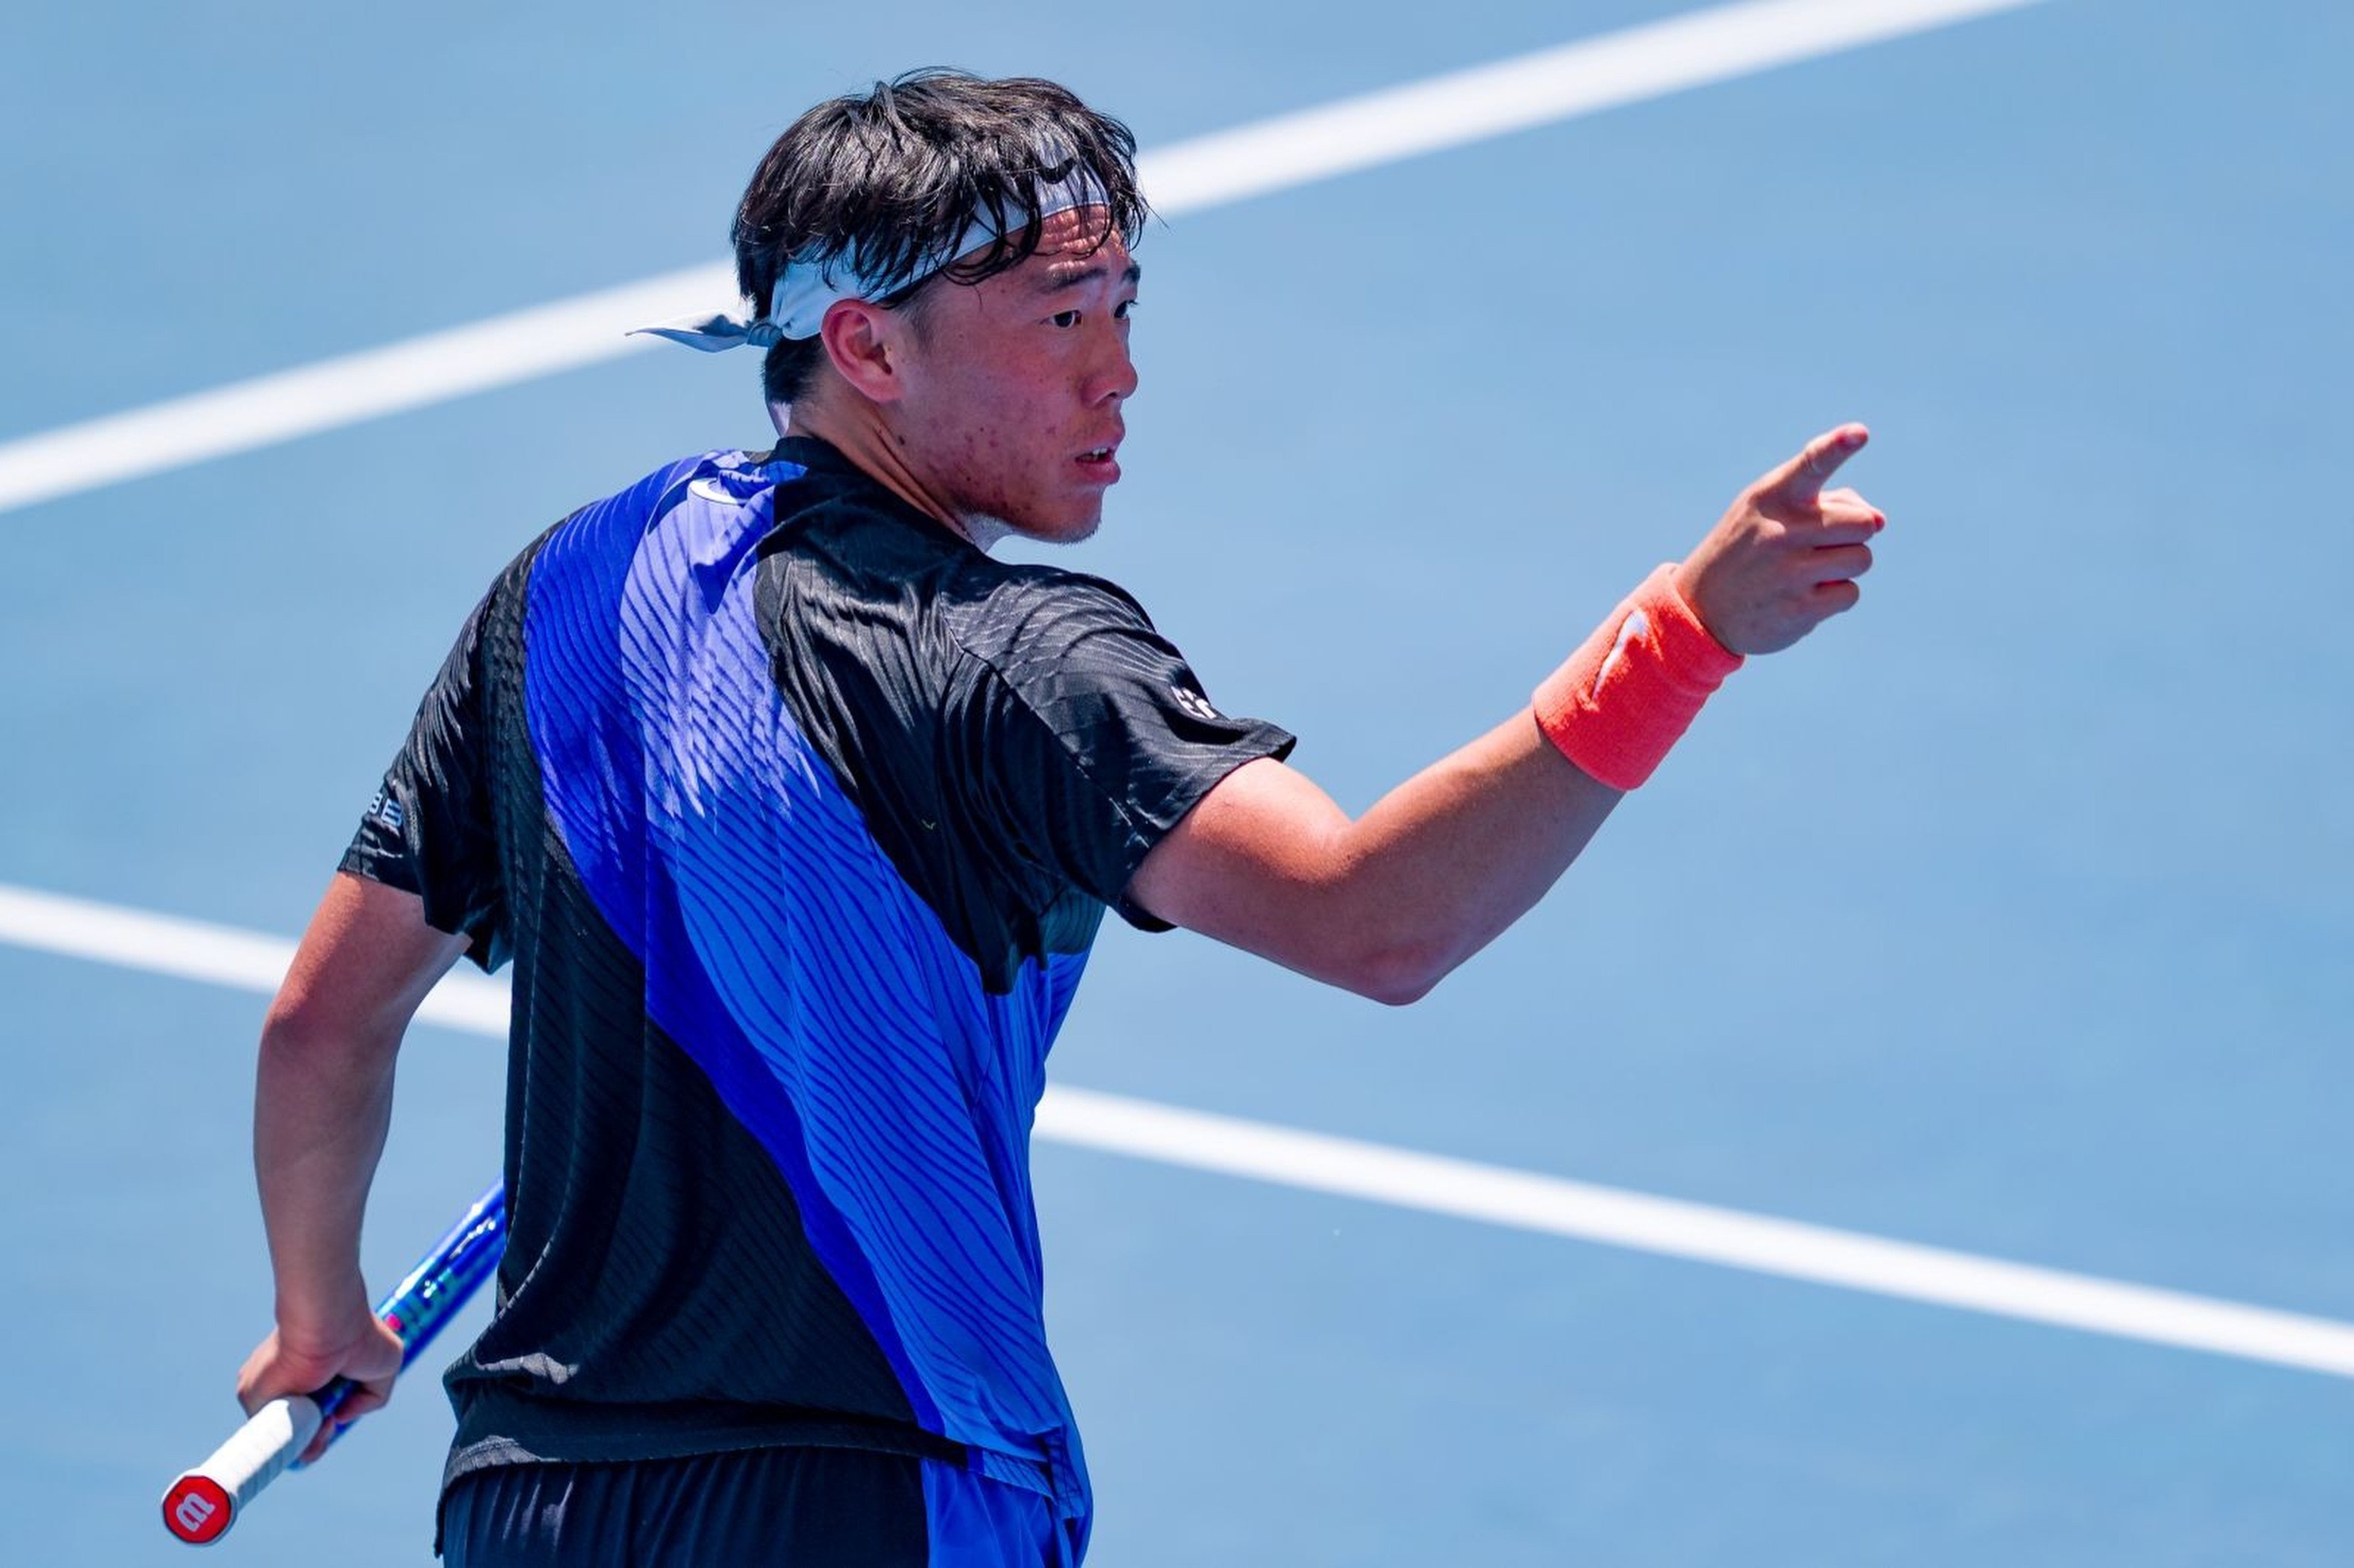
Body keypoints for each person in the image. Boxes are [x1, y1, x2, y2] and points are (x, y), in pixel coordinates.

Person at [233, 68, 1883, 1567]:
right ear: (870, 343)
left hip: (532, 1501)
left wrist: (321, 1315)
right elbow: (1381, 917)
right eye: (1059, 317)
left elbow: (324, 1018)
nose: (1121, 372)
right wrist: (1686, 636)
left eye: (1120, 305)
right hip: (876, 1492)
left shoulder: (566, 592)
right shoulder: (1020, 660)